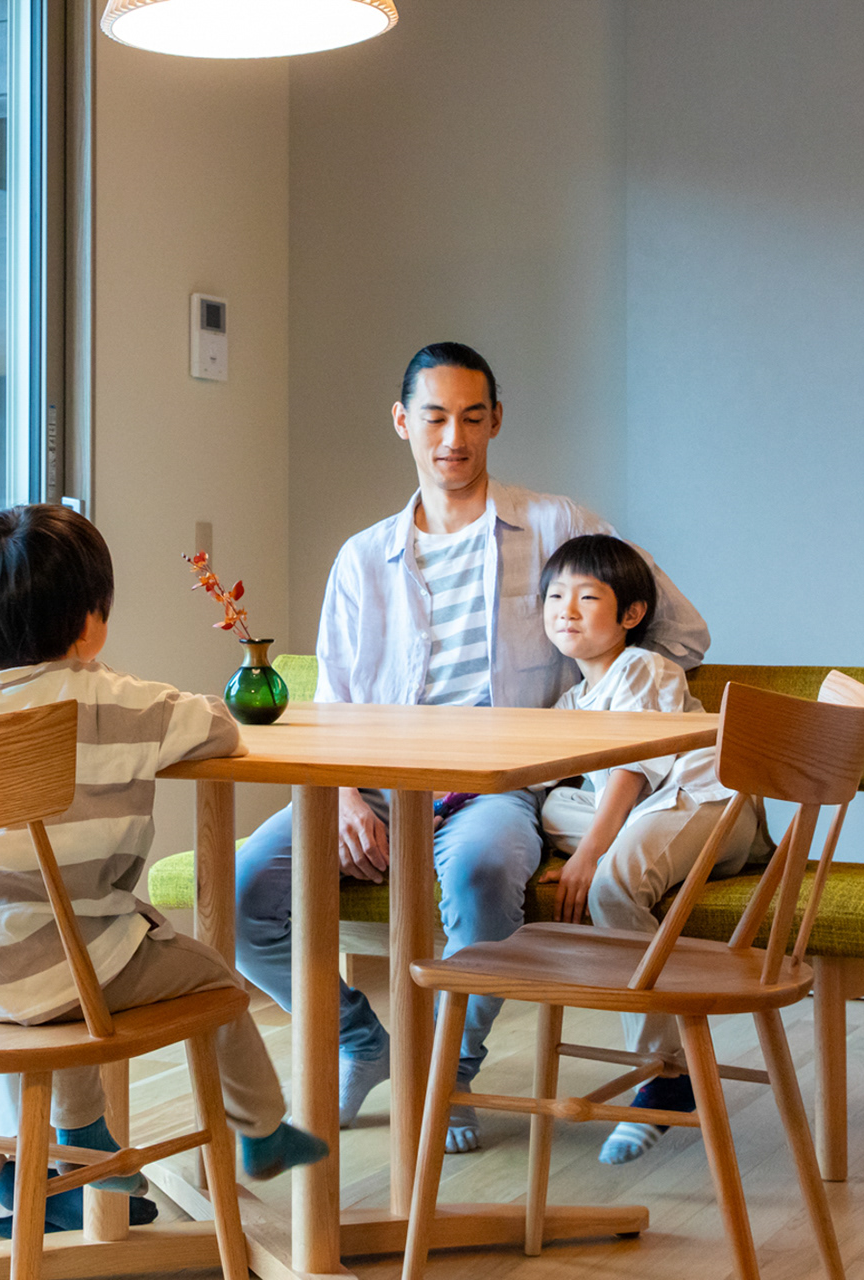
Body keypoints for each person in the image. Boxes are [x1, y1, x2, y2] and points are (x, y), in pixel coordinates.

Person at [233, 342, 710, 1154]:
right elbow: (333, 701)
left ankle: (451, 1070)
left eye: (471, 417)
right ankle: (362, 1043)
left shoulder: (561, 525)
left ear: (495, 423)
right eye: (434, 418)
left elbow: (682, 634)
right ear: (402, 422)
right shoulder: (362, 559)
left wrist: (605, 700)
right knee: (245, 894)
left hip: (501, 789)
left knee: (485, 874)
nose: (453, 437)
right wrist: (344, 798)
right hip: (375, 782)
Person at [0, 503, 328, 1235]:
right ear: (90, 623)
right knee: (215, 984)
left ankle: (87, 1138)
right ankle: (262, 1129)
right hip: (80, 966)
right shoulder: (116, 703)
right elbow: (220, 726)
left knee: (73, 958)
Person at [532, 534, 770, 1164]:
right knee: (550, 806)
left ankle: (666, 1072)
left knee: (613, 884)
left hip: (707, 804)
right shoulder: (570, 702)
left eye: (587, 598)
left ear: (631, 614)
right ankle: (668, 1062)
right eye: (555, 597)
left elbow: (631, 772)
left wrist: (589, 855)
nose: (566, 611)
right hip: (649, 818)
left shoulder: (643, 667)